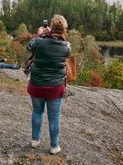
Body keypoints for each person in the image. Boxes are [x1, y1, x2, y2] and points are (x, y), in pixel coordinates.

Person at [27, 14, 71, 155]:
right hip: (55, 87)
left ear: (51, 27)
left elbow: (30, 47)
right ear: (64, 29)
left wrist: (39, 34)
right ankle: (54, 146)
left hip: (37, 84)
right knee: (54, 117)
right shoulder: (66, 46)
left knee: (37, 112)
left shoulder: (40, 41)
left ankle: (35, 140)